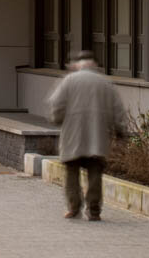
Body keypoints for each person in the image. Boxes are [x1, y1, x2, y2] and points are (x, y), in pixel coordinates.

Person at [48, 50, 127, 221]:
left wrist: (57, 119)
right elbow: (118, 111)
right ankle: (94, 210)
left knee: (71, 173)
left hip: (73, 136)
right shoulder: (106, 83)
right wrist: (120, 131)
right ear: (95, 65)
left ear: (78, 64)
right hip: (97, 137)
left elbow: (56, 105)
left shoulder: (68, 81)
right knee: (95, 174)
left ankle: (73, 207)